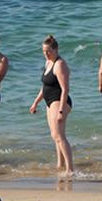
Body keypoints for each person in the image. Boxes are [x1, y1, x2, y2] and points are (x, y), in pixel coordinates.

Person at [29, 35, 73, 176]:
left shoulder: (60, 64)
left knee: (59, 135)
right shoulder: (48, 63)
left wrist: (61, 110)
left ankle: (70, 169)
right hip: (49, 100)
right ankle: (59, 164)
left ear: (56, 49)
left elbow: (65, 89)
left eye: (48, 51)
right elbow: (45, 86)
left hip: (59, 101)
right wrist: (36, 102)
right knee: (54, 136)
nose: (46, 54)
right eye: (43, 51)